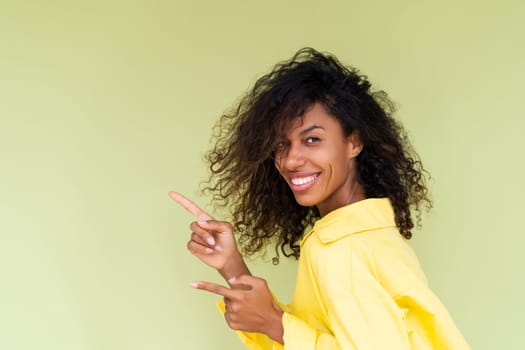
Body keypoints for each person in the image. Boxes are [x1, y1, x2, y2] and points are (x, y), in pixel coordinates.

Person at [170, 47, 470, 349]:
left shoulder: (342, 250)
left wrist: (276, 324)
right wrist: (233, 267)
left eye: (312, 140)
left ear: (353, 142)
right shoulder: (367, 233)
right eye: (281, 144)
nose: (289, 161)